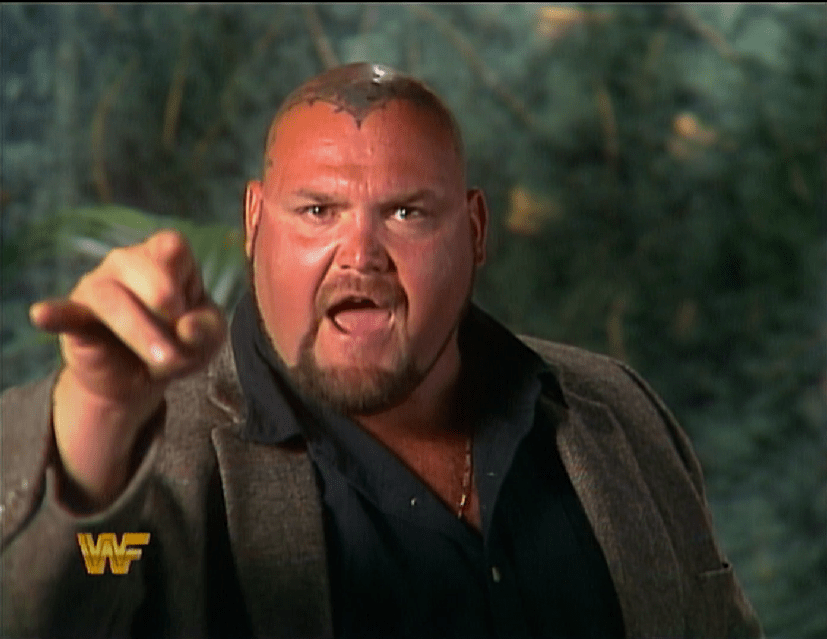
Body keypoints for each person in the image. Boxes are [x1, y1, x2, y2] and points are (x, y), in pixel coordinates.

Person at [1, 62, 761, 639]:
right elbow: (54, 606)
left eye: (405, 212)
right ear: (255, 222)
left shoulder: (618, 408)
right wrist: (100, 414)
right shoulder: (142, 458)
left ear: (473, 231)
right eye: (318, 210)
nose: (360, 254)